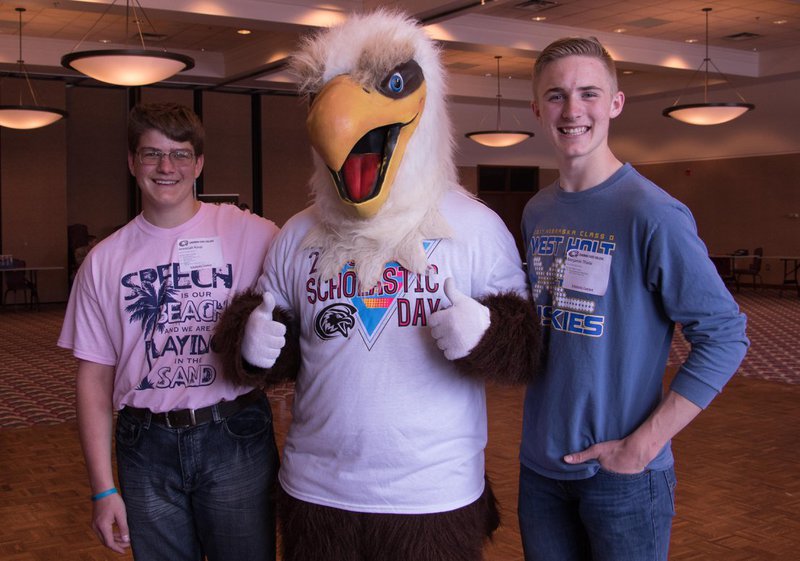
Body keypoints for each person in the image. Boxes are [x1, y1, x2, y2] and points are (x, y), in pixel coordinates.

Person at [517, 37, 749, 561]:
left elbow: (725, 336)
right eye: (556, 96)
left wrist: (641, 446)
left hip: (622, 476)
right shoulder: (537, 211)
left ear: (615, 104)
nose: (572, 110)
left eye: (589, 94)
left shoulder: (652, 213)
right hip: (541, 473)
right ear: (537, 109)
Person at [58, 102, 280, 561]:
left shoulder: (249, 232)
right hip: (145, 446)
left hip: (234, 434)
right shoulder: (104, 260)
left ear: (198, 163)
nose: (166, 167)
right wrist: (102, 490)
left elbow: (313, 259)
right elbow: (94, 382)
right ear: (131, 162)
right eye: (151, 154)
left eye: (180, 154)